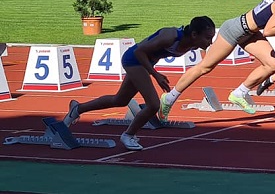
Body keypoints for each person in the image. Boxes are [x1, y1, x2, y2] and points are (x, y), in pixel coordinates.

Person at [158, 0, 275, 121]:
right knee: (205, 67)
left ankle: (239, 93)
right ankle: (169, 98)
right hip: (235, 30)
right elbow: (269, 31)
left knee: (273, 64)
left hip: (249, 33)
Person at [63, 16, 216, 150]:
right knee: (154, 104)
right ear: (194, 34)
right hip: (134, 60)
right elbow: (139, 52)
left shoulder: (194, 43)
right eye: (207, 38)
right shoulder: (169, 36)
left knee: (120, 100)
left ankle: (77, 109)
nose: (210, 42)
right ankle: (128, 135)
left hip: (145, 63)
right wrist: (155, 75)